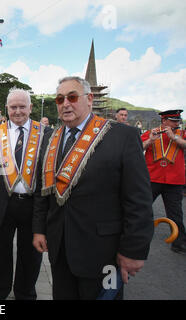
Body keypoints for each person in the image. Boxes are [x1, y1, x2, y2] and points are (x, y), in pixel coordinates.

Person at [32, 76, 154, 300]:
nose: (65, 103)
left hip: (102, 252)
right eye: (60, 99)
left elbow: (138, 199)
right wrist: (39, 228)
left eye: (72, 96)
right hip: (60, 248)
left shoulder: (122, 136)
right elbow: (44, 189)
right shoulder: (51, 138)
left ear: (89, 99)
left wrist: (134, 250)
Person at [0, 89, 52, 300]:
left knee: (31, 257)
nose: (17, 111)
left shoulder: (46, 134)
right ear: (7, 109)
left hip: (34, 207)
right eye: (13, 107)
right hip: (1, 205)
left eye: (22, 107)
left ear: (30, 108)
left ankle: (25, 294)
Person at [141, 110, 186, 254]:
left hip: (174, 181)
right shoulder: (151, 132)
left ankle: (179, 242)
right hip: (152, 178)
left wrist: (174, 137)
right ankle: (136, 237)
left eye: (178, 120)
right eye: (173, 120)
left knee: (176, 214)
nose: (177, 123)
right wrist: (150, 141)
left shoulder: (181, 133)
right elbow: (137, 147)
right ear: (164, 121)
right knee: (141, 209)